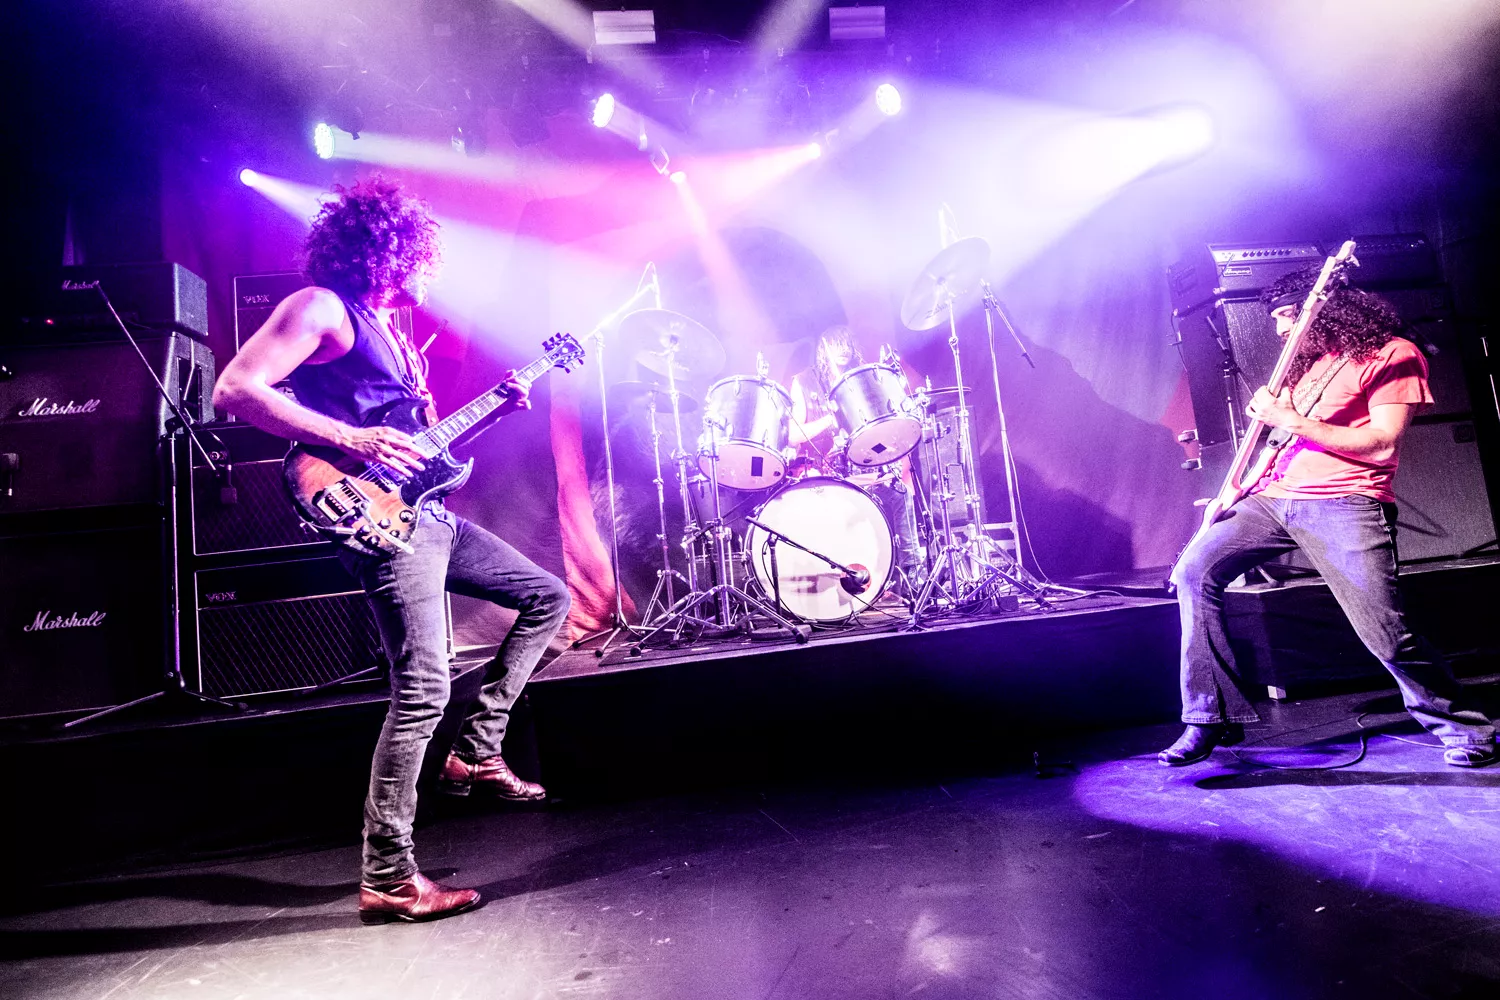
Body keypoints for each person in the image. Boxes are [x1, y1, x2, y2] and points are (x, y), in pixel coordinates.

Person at [213, 177, 571, 922]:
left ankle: (478, 748)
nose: (428, 271)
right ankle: (388, 874)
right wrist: (352, 436)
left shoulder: (394, 334)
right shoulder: (319, 307)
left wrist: (494, 412)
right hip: (372, 514)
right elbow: (235, 390)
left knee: (547, 596)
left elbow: (417, 451)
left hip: (425, 514)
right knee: (422, 687)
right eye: (421, 255)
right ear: (391, 250)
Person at [1163, 265, 1495, 768]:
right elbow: (1277, 442)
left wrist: (1291, 418)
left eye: (1287, 315)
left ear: (1325, 309)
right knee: (1194, 572)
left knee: (1384, 631)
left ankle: (1465, 726)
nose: (1281, 329)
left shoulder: (1394, 355)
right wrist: (1234, 490)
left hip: (1345, 502)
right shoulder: (1312, 364)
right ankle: (1208, 716)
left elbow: (1382, 444)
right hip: (1272, 498)